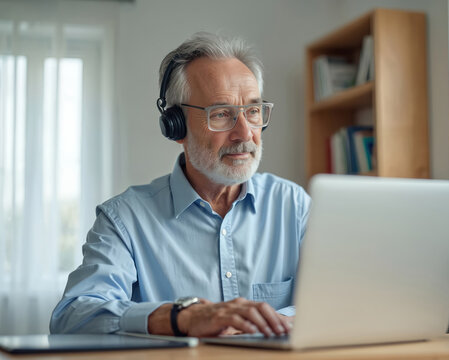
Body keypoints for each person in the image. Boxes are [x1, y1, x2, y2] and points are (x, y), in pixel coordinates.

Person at [50, 32, 311, 337]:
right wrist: (181, 318)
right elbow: (72, 317)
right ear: (176, 126)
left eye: (252, 111)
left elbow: (337, 297)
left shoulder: (294, 205)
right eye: (222, 114)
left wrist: (271, 322)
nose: (244, 133)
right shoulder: (124, 220)